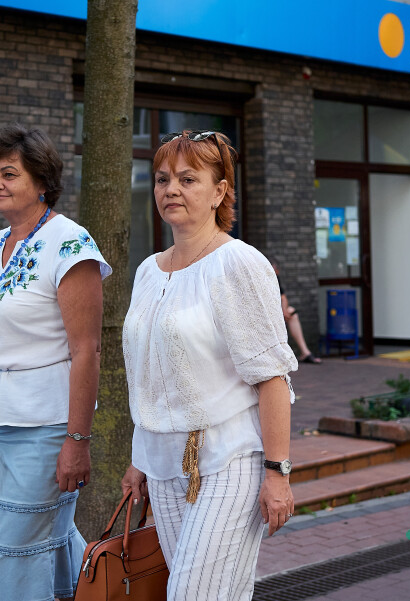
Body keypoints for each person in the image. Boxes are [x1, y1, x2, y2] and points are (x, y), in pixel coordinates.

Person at [120, 130, 298, 600]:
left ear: (220, 192)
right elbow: (148, 376)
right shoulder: (148, 270)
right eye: (162, 179)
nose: (171, 189)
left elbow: (271, 377)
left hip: (227, 461)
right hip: (162, 466)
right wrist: (139, 461)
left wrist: (278, 474)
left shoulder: (238, 263)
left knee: (190, 595)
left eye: (188, 179)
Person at [0, 124, 111, 601]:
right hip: (2, 419)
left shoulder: (71, 244)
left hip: (48, 425)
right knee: (46, 538)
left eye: (10, 174)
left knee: (14, 546)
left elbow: (87, 351)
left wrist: (78, 442)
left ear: (42, 180)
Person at [271, 259, 322, 364]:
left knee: (292, 313)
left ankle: (305, 352)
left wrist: (284, 311)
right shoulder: (260, 279)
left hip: (275, 311)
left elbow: (283, 297)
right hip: (264, 313)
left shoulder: (275, 278)